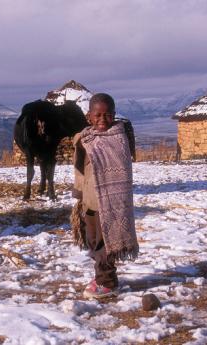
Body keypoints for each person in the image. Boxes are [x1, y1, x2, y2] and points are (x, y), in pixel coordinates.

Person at [71, 93, 138, 299]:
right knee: (93, 241)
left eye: (107, 115)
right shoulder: (85, 138)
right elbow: (80, 169)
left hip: (110, 202)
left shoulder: (119, 138)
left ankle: (107, 282)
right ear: (88, 116)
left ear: (114, 115)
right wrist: (79, 195)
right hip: (90, 199)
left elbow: (123, 168)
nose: (102, 120)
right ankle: (101, 275)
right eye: (97, 115)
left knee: (106, 241)